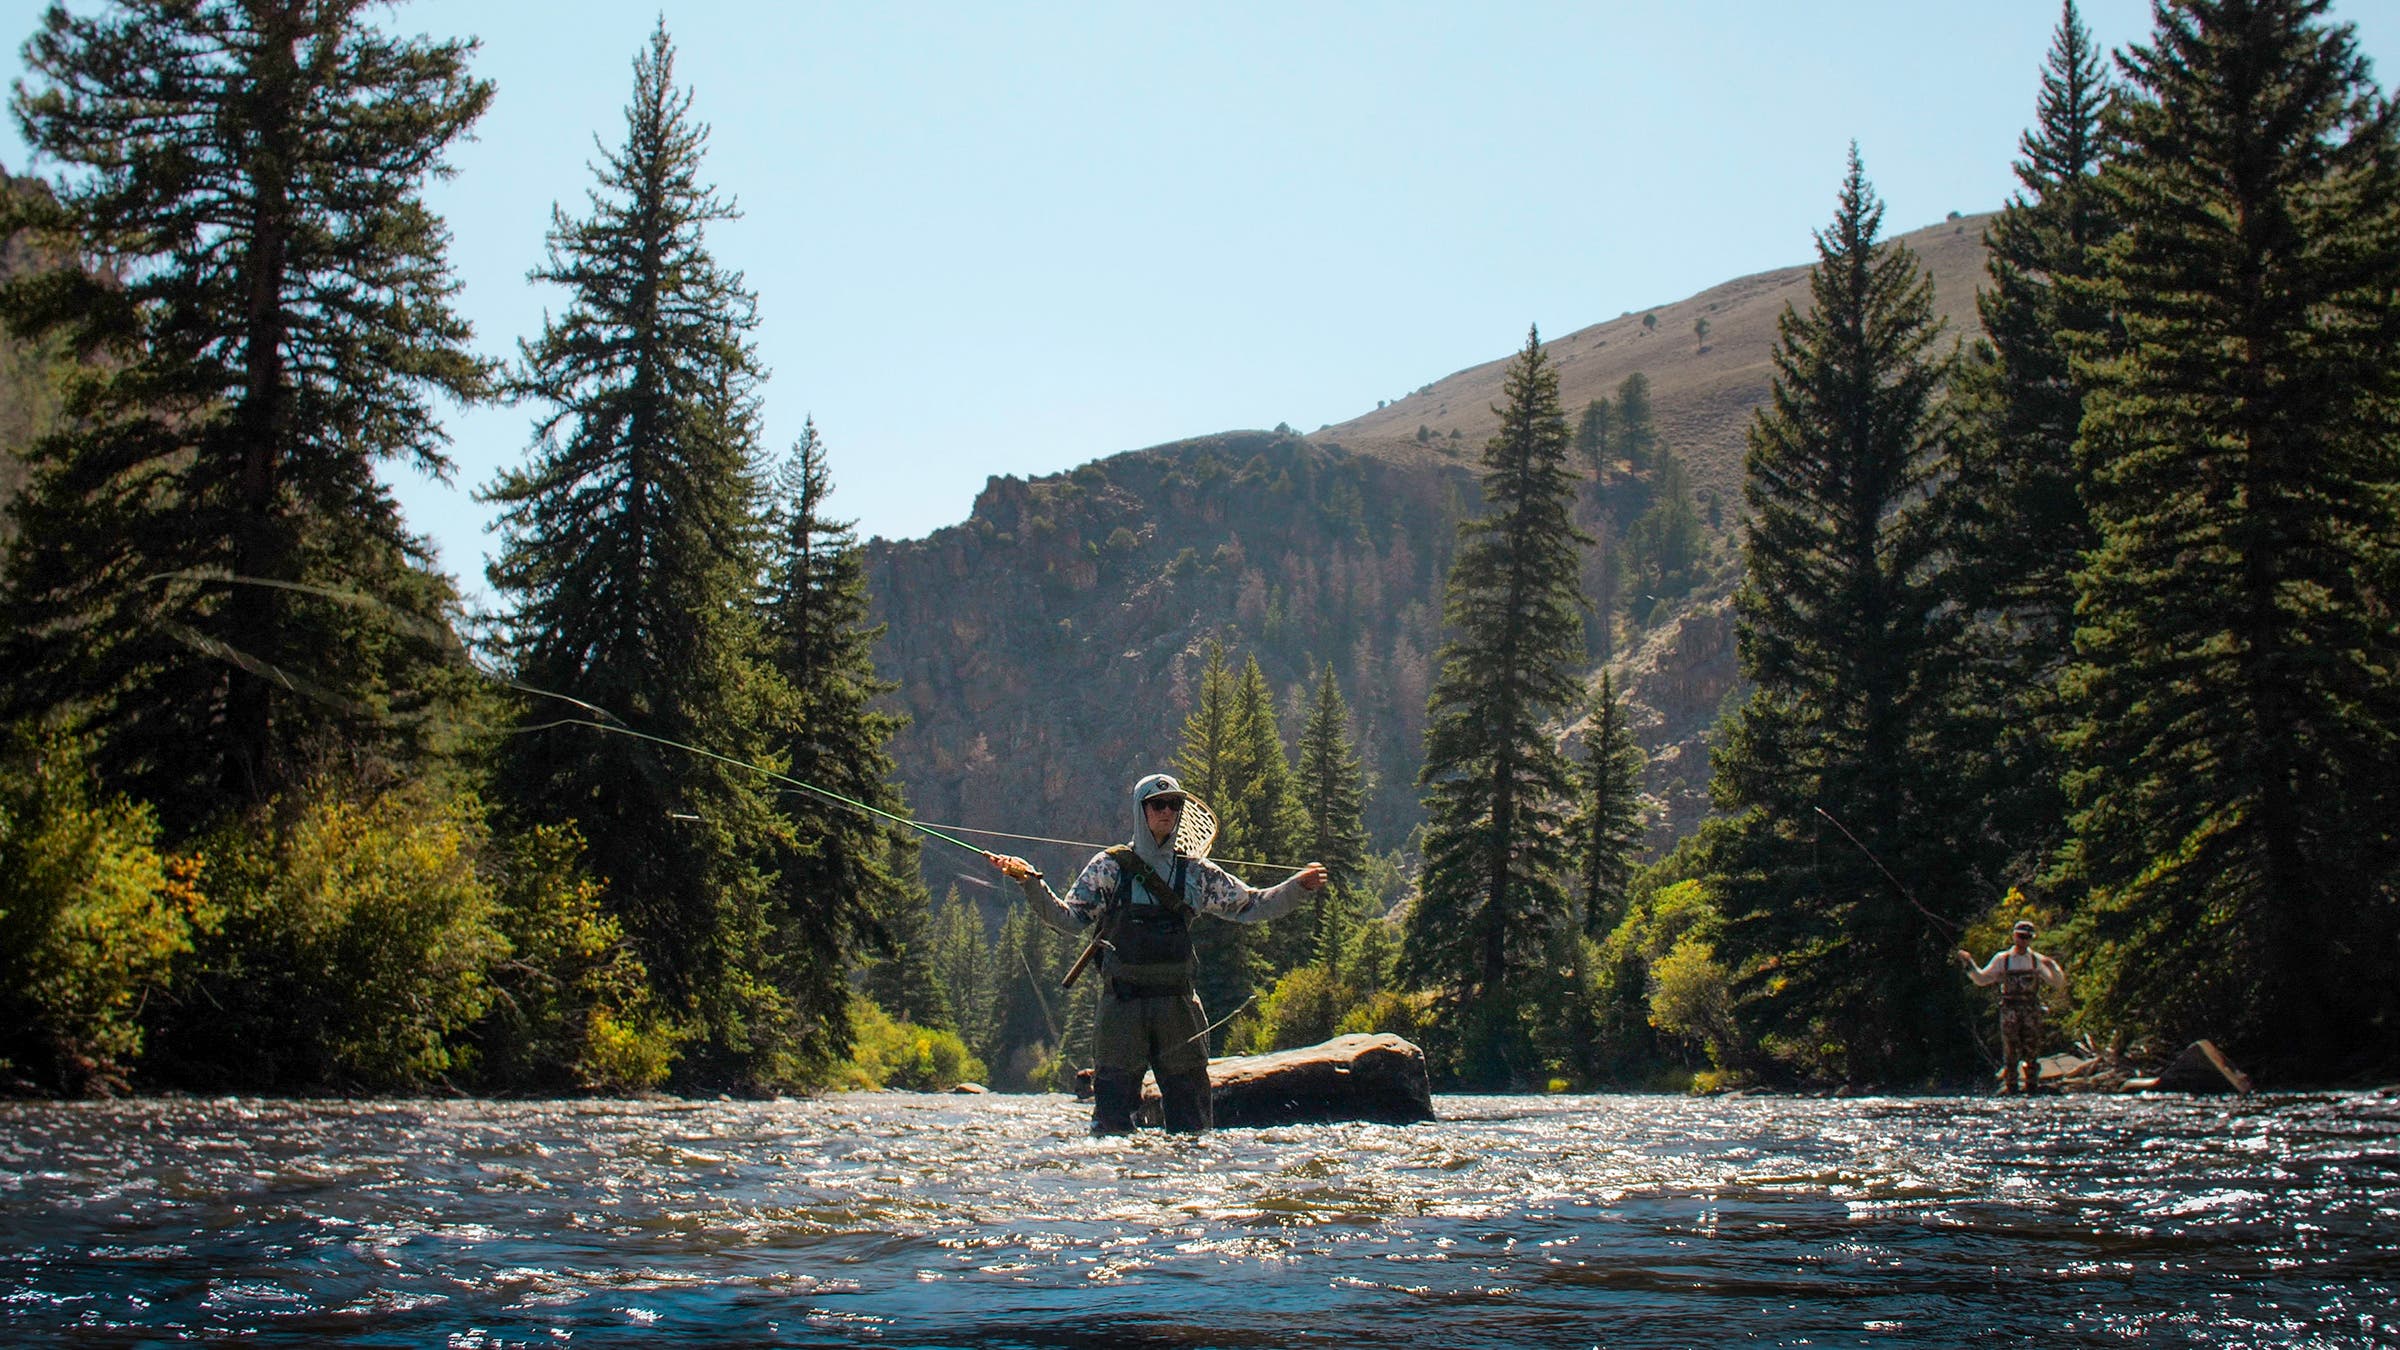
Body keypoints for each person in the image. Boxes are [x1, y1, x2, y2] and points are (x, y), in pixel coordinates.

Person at [986, 772, 1327, 1134]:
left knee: (1192, 1124)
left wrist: (1297, 888)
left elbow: (1252, 905)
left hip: (1178, 1008)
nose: (1167, 811)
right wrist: (1030, 881)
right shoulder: (1109, 867)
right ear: (1141, 810)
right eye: (1157, 804)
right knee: (1111, 1125)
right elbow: (1070, 919)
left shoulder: (1196, 874)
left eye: (1174, 805)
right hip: (1122, 1008)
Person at [1957, 920, 2068, 1094]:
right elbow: (1982, 979)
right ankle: (2011, 1089)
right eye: (2020, 936)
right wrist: (1969, 963)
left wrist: (2053, 966)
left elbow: (2057, 983)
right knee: (2010, 1053)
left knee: (2032, 1052)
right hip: (2009, 1011)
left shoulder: (2036, 960)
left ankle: (2032, 1087)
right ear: (2014, 936)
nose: (2023, 940)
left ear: (2031, 939)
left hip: (2031, 1011)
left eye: (2027, 937)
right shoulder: (2003, 959)